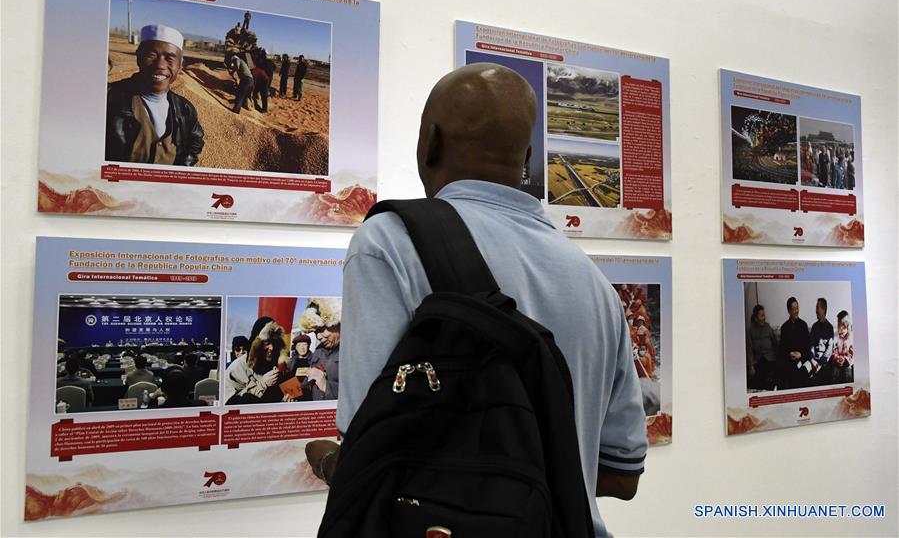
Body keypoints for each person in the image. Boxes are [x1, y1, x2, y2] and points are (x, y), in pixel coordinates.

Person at [306, 63, 646, 537]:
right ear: (527, 157)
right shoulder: (594, 283)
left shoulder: (390, 242)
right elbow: (622, 473)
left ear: (429, 141)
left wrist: (323, 461)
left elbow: (367, 454)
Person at [106, 24, 204, 166]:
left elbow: (195, 140)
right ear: (138, 58)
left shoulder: (184, 108)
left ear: (180, 66)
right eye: (151, 55)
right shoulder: (109, 98)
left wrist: (183, 168)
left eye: (170, 58)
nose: (160, 65)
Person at [223, 317, 288, 404]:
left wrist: (285, 400)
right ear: (256, 344)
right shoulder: (236, 368)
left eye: (274, 342)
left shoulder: (275, 364)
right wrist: (262, 384)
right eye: (266, 343)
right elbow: (231, 403)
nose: (271, 348)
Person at [298, 298, 341, 400]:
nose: (318, 337)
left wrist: (326, 386)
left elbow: (360, 392)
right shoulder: (319, 350)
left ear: (335, 322)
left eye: (321, 329)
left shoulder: (353, 350)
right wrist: (299, 392)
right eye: (315, 332)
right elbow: (311, 376)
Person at [778, 297, 811, 389]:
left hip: (803, 358)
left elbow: (808, 346)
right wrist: (790, 353)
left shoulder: (803, 325)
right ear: (789, 311)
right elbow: (782, 348)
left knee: (801, 373)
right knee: (788, 370)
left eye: (797, 308)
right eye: (793, 309)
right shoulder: (784, 327)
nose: (796, 311)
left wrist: (801, 354)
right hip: (790, 360)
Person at [746, 305, 778, 390]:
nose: (764, 317)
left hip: (770, 360)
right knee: (756, 378)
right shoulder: (751, 330)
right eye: (762, 315)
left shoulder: (768, 328)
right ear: (756, 318)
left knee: (767, 376)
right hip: (758, 361)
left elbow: (775, 344)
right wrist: (751, 365)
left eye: (764, 315)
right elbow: (750, 350)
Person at [808, 298, 835, 385]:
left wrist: (820, 363)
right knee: (804, 371)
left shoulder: (830, 327)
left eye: (817, 307)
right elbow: (811, 345)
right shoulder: (814, 327)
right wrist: (812, 359)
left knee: (826, 373)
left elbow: (829, 349)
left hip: (824, 362)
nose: (816, 310)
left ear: (823, 309)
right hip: (814, 360)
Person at [831, 310, 854, 383]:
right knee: (834, 373)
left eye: (839, 323)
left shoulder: (851, 337)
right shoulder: (835, 335)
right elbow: (834, 350)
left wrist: (845, 359)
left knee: (848, 374)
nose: (837, 325)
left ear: (844, 325)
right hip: (837, 362)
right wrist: (837, 359)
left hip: (847, 363)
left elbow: (851, 353)